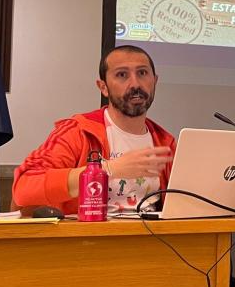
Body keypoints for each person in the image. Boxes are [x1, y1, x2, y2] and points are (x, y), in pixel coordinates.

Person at [12, 45, 174, 214]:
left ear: (154, 81)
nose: (135, 84)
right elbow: (24, 187)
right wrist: (107, 169)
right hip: (88, 237)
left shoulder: (165, 142)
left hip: (151, 237)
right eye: (122, 75)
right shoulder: (77, 131)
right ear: (103, 87)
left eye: (142, 73)